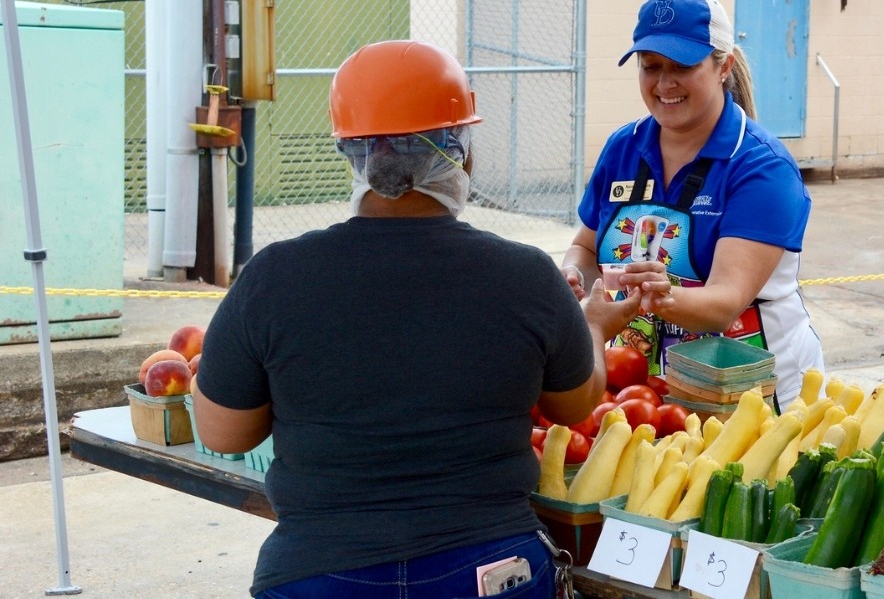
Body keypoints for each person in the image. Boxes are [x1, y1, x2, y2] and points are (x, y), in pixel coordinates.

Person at [192, 39, 642, 598]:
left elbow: (221, 432)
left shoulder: (274, 278)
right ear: (463, 152)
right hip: (490, 571)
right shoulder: (525, 275)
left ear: (352, 155)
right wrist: (594, 326)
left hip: (319, 571)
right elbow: (573, 406)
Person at [561, 0, 824, 410]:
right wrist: (574, 276)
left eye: (682, 66)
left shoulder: (762, 166)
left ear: (724, 67)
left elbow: (724, 302)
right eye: (651, 66)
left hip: (749, 396)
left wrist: (661, 295)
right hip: (645, 391)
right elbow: (585, 247)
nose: (664, 84)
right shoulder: (623, 148)